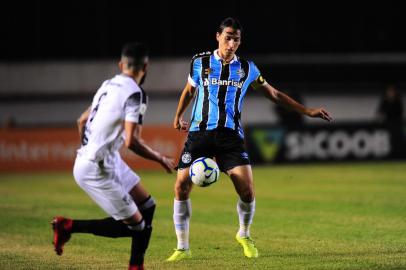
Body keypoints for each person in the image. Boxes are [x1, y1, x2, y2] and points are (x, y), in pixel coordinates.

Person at [167, 17, 332, 261]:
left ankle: (244, 234)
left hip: (231, 136)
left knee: (247, 191)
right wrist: (178, 115)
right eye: (228, 37)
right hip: (199, 133)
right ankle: (182, 247)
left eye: (236, 39)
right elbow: (190, 90)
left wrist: (307, 111)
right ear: (218, 37)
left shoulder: (247, 68)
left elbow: (274, 94)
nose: (232, 43)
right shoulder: (199, 62)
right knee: (181, 187)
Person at [51, 42, 175, 270]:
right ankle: (68, 226)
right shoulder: (136, 95)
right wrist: (160, 158)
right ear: (145, 67)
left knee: (148, 206)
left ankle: (136, 265)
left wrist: (90, 148)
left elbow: (81, 121)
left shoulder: (108, 84)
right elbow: (132, 141)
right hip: (97, 168)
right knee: (136, 226)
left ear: (121, 64)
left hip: (104, 160)